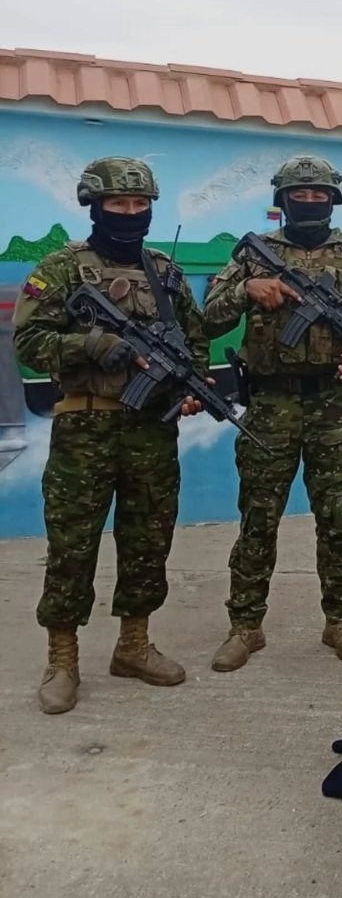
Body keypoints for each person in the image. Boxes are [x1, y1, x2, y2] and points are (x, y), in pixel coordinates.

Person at [12, 157, 209, 714]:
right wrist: (88, 346)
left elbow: (192, 343)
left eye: (139, 204)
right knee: (72, 545)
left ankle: (133, 645)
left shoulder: (165, 272)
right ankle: (63, 658)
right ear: (94, 206)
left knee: (149, 540)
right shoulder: (63, 268)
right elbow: (28, 341)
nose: (129, 214)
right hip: (85, 426)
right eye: (118, 204)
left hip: (150, 432)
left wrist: (188, 388)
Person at [203, 155, 342, 668]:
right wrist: (247, 289)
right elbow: (207, 316)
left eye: (318, 194)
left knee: (334, 517)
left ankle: (340, 622)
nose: (309, 201)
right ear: (282, 199)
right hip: (270, 402)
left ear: (331, 200)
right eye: (299, 193)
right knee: (258, 519)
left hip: (334, 405)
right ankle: (245, 625)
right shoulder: (254, 256)